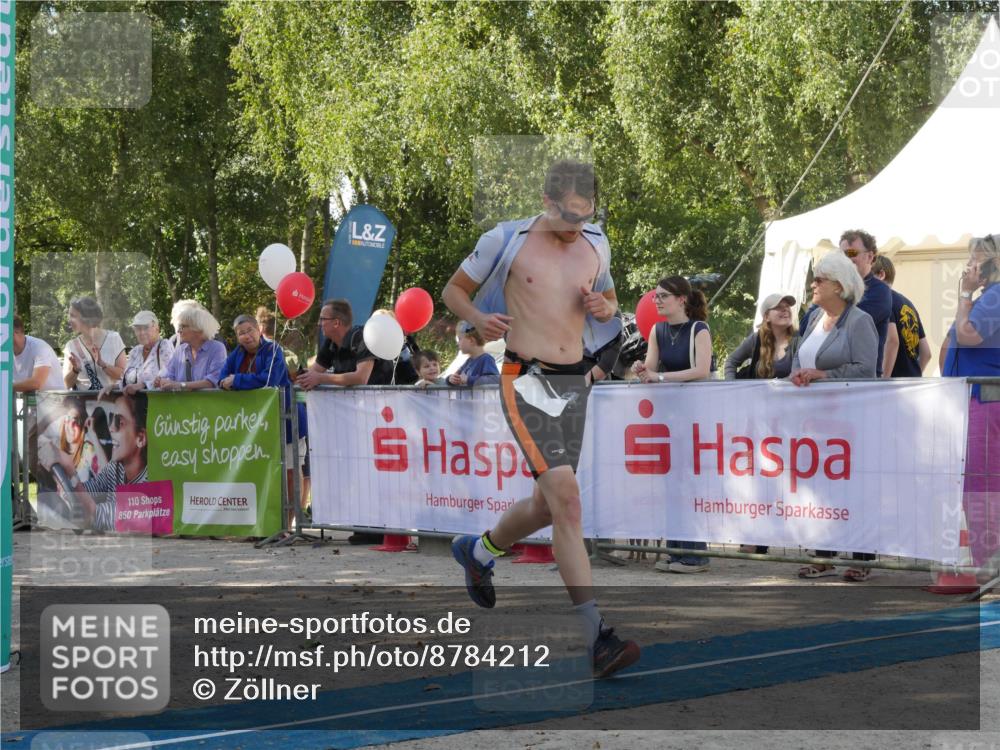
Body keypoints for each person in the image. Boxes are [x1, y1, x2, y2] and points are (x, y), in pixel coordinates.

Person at [442, 159, 639, 679]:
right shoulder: (505, 239)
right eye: (569, 215)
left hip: (573, 379)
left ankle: (480, 551)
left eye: (586, 214)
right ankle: (596, 635)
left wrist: (603, 308)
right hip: (524, 376)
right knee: (568, 500)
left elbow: (612, 300)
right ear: (548, 202)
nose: (577, 226)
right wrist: (480, 318)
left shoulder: (596, 242)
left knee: (547, 503)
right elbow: (452, 291)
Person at [789, 251, 878, 581]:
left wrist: (823, 375)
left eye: (820, 279)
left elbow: (867, 370)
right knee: (819, 490)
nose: (813, 284)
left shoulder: (860, 321)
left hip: (849, 421)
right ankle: (823, 555)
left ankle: (863, 558)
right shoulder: (813, 318)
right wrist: (798, 374)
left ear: (839, 286)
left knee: (853, 489)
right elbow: (801, 357)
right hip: (814, 421)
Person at [633, 275, 713, 572]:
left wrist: (660, 377)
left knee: (690, 484)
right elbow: (651, 369)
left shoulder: (699, 329)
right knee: (672, 483)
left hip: (695, 414)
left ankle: (696, 555)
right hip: (670, 416)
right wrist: (641, 369)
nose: (657, 300)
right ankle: (678, 551)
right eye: (656, 296)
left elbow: (702, 370)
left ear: (681, 299)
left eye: (663, 296)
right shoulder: (657, 330)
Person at [220, 315, 308, 531]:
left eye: (250, 330)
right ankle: (264, 526)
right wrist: (227, 382)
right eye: (241, 333)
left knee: (289, 471)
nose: (247, 336)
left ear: (259, 330)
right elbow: (221, 378)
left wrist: (237, 381)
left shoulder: (273, 350)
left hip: (287, 420)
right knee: (263, 474)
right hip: (257, 427)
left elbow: (269, 379)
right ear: (237, 337)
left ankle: (287, 527)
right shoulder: (236, 355)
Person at [42, 392, 149, 531]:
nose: (111, 428)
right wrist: (65, 483)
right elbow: (91, 489)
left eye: (119, 422)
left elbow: (94, 516)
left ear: (140, 439)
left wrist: (70, 472)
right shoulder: (116, 467)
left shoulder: (148, 483)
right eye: (111, 419)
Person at [800, 230, 892, 376]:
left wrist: (824, 374)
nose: (845, 259)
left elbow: (849, 323)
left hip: (851, 390)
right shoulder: (820, 308)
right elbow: (804, 327)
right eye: (841, 254)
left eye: (851, 253)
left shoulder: (880, 292)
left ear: (869, 256)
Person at [296, 299, 395, 389]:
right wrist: (294, 373)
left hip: (377, 405)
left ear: (336, 323)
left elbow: (361, 378)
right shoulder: (330, 342)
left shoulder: (363, 337)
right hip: (354, 404)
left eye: (322, 319)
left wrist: (320, 378)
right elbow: (315, 372)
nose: (319, 323)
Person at [871, 256, 931, 378]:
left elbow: (892, 340)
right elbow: (926, 353)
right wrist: (913, 377)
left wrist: (883, 380)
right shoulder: (908, 303)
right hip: (910, 385)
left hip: (891, 386)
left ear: (881, 275)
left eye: (867, 276)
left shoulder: (882, 300)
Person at [145, 304, 226, 392]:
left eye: (183, 326)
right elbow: (169, 375)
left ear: (198, 329)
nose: (179, 331)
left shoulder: (217, 348)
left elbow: (213, 381)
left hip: (210, 404)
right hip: (182, 405)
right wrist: (161, 381)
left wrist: (180, 385)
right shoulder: (180, 350)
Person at [724, 294, 800, 381]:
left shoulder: (799, 339)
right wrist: (731, 385)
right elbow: (731, 362)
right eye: (778, 307)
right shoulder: (756, 339)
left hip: (789, 394)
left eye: (787, 306)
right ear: (766, 317)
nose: (785, 309)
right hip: (757, 394)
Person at [62, 296, 127, 391]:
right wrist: (75, 370)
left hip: (112, 400)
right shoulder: (71, 346)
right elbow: (66, 384)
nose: (69, 320)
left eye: (73, 316)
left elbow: (123, 375)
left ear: (86, 317)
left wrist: (104, 365)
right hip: (83, 403)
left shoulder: (114, 339)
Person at [115, 311, 175, 392]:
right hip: (134, 400)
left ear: (157, 328)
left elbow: (169, 376)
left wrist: (143, 385)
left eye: (146, 328)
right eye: (138, 329)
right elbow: (126, 379)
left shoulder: (164, 345)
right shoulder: (135, 351)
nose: (141, 333)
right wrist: (113, 387)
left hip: (156, 401)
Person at [13, 316, 64, 393]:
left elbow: (36, 383)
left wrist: (6, 387)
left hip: (55, 402)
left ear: (16, 332)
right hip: (30, 402)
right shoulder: (4, 351)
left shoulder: (39, 347)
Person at [448, 322, 500, 387]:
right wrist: (450, 379)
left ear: (471, 340)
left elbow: (494, 380)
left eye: (459, 339)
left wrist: (469, 379)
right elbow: (457, 375)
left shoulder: (486, 359)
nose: (457, 343)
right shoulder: (468, 361)